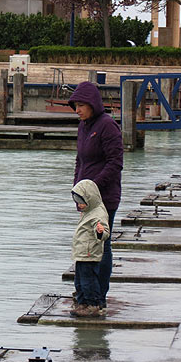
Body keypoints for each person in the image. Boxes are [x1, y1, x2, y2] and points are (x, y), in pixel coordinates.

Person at [68, 81, 123, 309]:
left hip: (104, 198)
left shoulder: (108, 126)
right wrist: (77, 190)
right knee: (85, 242)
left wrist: (92, 189)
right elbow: (80, 160)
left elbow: (115, 163)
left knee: (101, 243)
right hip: (85, 199)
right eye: (76, 106)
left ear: (93, 104)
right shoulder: (83, 126)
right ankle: (85, 291)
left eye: (82, 105)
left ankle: (97, 296)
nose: (78, 110)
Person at [70, 179, 110, 318]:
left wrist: (100, 232)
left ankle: (93, 305)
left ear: (90, 199)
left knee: (89, 280)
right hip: (81, 253)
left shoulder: (98, 213)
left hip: (89, 253)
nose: (79, 205)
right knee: (79, 280)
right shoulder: (88, 211)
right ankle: (82, 302)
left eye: (81, 201)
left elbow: (105, 233)